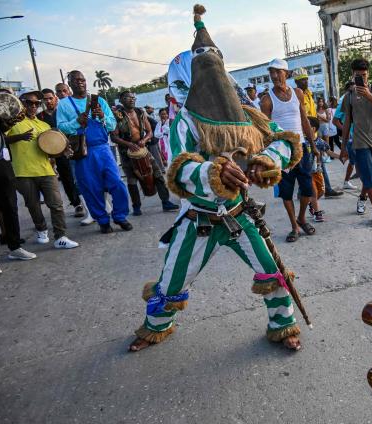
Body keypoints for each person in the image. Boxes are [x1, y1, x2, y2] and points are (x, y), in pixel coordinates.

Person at [128, 5, 304, 352]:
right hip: (198, 220)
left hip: (240, 216)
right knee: (172, 280)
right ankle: (156, 327)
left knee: (273, 271)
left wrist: (266, 160)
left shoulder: (247, 114)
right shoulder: (184, 123)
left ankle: (283, 326)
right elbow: (179, 169)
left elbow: (284, 141)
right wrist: (215, 172)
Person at [57, 70, 132, 234]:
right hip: (82, 152)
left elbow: (112, 125)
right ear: (70, 83)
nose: (79, 82)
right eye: (75, 80)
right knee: (91, 188)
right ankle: (103, 221)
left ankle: (120, 216)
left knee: (117, 184)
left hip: (103, 149)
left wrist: (103, 116)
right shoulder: (63, 104)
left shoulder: (99, 100)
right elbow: (61, 127)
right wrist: (76, 122)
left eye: (82, 79)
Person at [5, 91, 79, 249]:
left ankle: (61, 237)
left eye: (36, 103)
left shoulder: (44, 125)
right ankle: (41, 228)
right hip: (22, 172)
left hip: (46, 170)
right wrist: (20, 137)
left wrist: (63, 150)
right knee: (33, 205)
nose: (33, 106)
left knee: (57, 204)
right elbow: (1, 140)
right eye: (29, 103)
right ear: (21, 103)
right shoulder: (11, 123)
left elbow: (51, 149)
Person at [260, 58, 319, 243]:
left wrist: (314, 145)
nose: (275, 76)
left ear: (287, 73)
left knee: (308, 189)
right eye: (272, 72)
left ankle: (302, 218)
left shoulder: (298, 93)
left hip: (301, 147)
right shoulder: (267, 100)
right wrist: (267, 155)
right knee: (286, 191)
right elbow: (264, 130)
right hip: (282, 151)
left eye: (278, 72)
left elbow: (304, 121)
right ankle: (294, 226)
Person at [111, 91, 179, 216]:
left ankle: (166, 202)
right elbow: (114, 137)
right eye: (127, 98)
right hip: (127, 153)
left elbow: (149, 132)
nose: (131, 99)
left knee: (158, 174)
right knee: (132, 181)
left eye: (133, 97)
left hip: (143, 150)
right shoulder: (117, 115)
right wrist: (129, 144)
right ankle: (136, 207)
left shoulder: (140, 113)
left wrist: (144, 140)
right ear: (121, 100)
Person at [340, 58, 372, 226]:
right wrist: (343, 146)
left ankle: (362, 198)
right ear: (352, 75)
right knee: (369, 175)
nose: (361, 78)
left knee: (371, 175)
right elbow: (347, 122)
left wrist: (368, 95)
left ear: (368, 74)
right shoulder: (349, 96)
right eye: (357, 75)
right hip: (359, 142)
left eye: (364, 75)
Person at [0, 91, 37, 274]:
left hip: (1, 163)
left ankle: (14, 247)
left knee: (10, 206)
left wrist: (8, 122)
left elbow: (1, 133)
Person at [37, 88, 90, 221]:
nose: (48, 101)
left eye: (50, 98)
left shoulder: (63, 110)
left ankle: (91, 206)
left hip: (73, 149)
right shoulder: (40, 117)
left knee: (79, 177)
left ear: (55, 98)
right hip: (56, 154)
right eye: (45, 99)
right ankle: (77, 204)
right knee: (67, 180)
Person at [333, 81, 357, 190]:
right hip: (351, 136)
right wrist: (346, 131)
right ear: (348, 91)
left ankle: (347, 181)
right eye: (353, 90)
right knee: (353, 161)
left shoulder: (355, 99)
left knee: (354, 160)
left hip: (358, 135)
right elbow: (335, 121)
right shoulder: (343, 101)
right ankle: (347, 182)